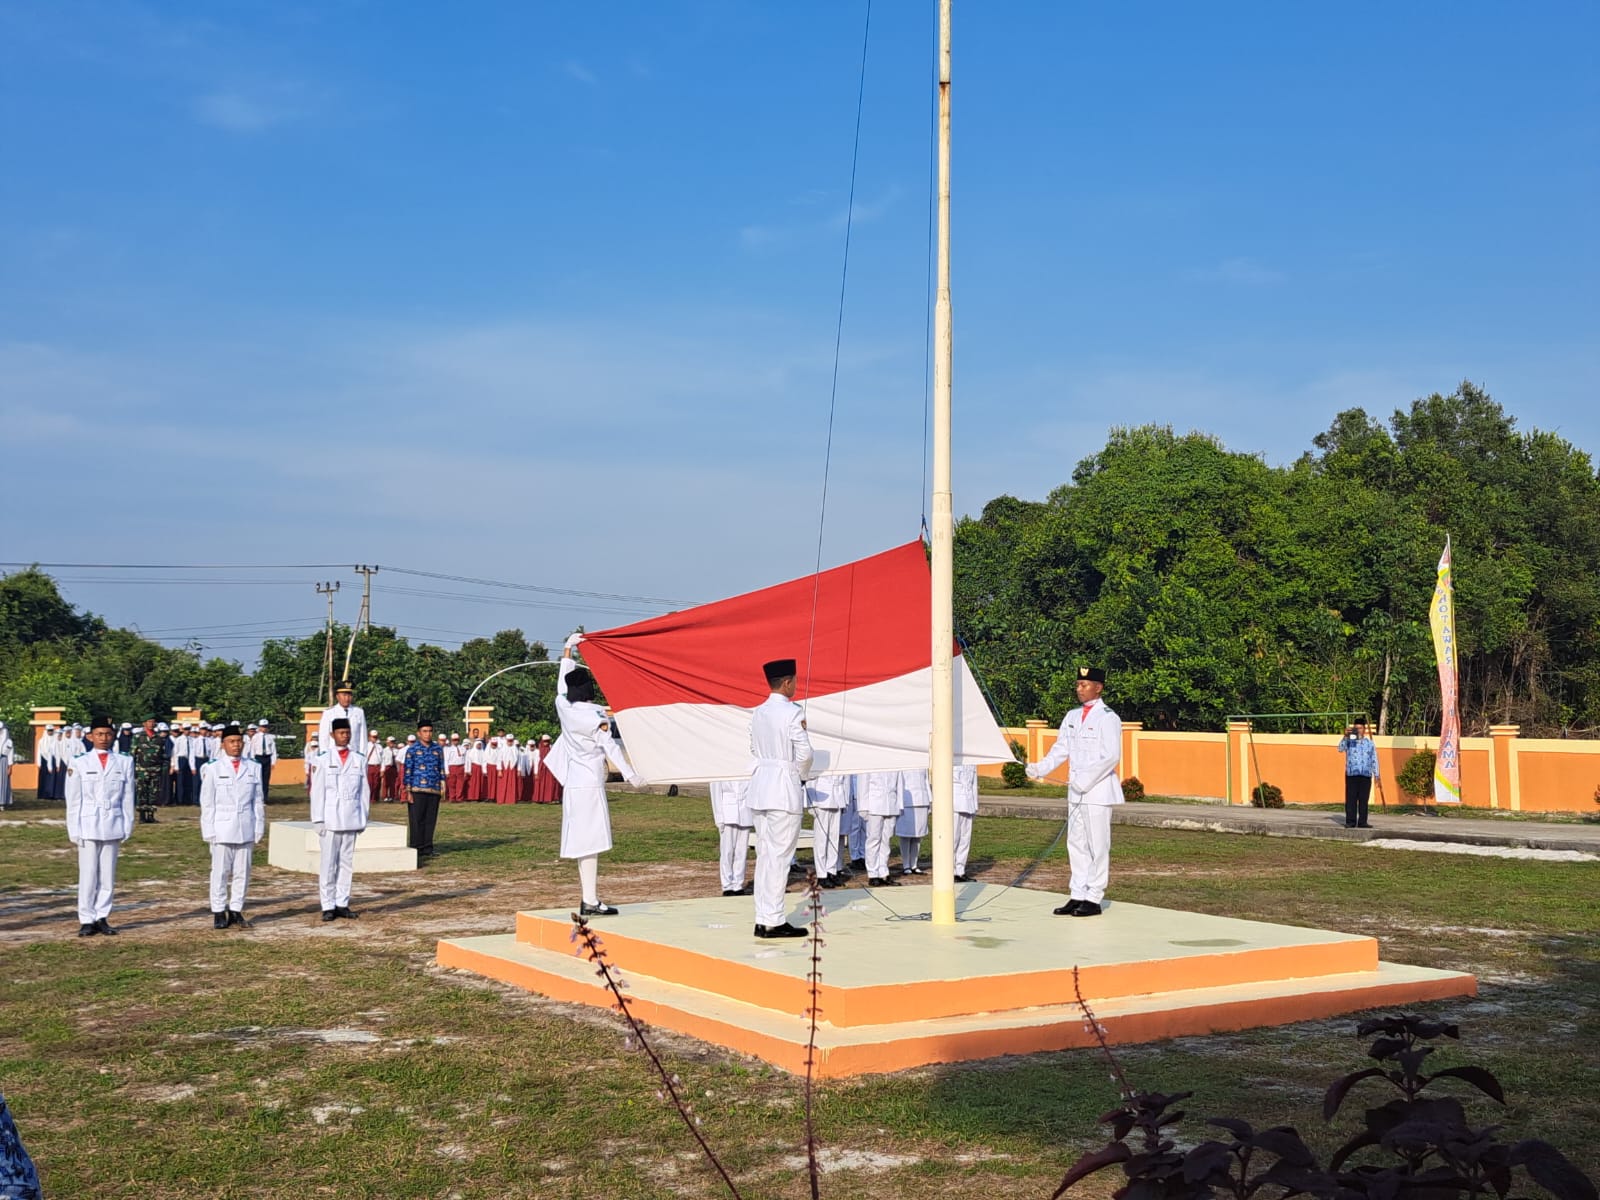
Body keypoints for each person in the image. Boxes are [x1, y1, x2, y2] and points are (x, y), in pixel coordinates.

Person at [550, 637, 643, 916]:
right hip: (590, 782)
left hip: (573, 781)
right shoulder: (596, 716)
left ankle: (589, 897)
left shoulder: (563, 708)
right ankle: (589, 899)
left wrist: (568, 648)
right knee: (591, 841)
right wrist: (631, 775)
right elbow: (610, 747)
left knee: (584, 841)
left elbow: (560, 686)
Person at [1026, 666, 1123, 917]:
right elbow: (1060, 749)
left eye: (1084, 685)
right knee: (1076, 843)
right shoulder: (1071, 716)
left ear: (1098, 687)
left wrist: (1086, 780)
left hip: (1097, 791)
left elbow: (1111, 756)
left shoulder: (1108, 717)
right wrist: (1039, 768)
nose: (1079, 689)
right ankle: (1077, 893)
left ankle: (1094, 896)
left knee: (1097, 844)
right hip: (1075, 792)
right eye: (1078, 684)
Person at [746, 657, 814, 938]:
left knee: (766, 854)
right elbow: (805, 753)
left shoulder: (758, 712)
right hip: (783, 787)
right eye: (794, 681)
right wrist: (801, 774)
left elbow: (752, 747)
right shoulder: (792, 712)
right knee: (779, 856)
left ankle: (763, 917)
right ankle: (772, 919)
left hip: (761, 785)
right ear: (787, 683)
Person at [65, 716, 135, 937]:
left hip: (113, 821)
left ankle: (102, 916)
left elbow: (128, 796)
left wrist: (128, 824)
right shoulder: (79, 762)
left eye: (107, 734)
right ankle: (86, 918)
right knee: (88, 874)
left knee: (107, 875)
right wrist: (73, 829)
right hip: (87, 823)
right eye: (99, 734)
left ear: (113, 736)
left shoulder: (124, 761)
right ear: (90, 737)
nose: (104, 738)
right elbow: (73, 799)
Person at [199, 724, 266, 930]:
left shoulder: (253, 767)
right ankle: (219, 910)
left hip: (245, 824)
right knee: (220, 872)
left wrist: (259, 825)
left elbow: (257, 800)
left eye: (239, 741)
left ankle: (236, 909)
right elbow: (207, 802)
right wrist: (208, 830)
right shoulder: (213, 768)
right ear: (223, 744)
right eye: (231, 742)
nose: (236, 746)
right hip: (222, 826)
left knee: (242, 872)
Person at [309, 717, 369, 921]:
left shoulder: (359, 759)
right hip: (330, 819)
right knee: (328, 864)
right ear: (332, 735)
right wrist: (318, 819)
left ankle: (342, 902)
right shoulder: (324, 759)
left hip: (351, 817)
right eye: (341, 733)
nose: (345, 736)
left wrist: (363, 817)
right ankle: (327, 905)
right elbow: (317, 792)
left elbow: (364, 792)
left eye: (347, 732)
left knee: (346, 863)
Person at [403, 719, 445, 859]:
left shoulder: (438, 749)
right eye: (424, 731)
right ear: (419, 733)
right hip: (417, 789)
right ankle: (416, 847)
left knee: (430, 819)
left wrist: (443, 784)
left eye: (430, 731)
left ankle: (428, 847)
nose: (428, 734)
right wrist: (408, 790)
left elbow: (441, 768)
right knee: (416, 820)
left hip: (433, 789)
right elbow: (407, 770)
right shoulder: (412, 750)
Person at [805, 773, 852, 888]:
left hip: (838, 798)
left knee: (834, 838)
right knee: (821, 840)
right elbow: (811, 779)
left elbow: (846, 780)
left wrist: (845, 801)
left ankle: (831, 871)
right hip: (822, 800)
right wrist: (811, 804)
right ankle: (822, 874)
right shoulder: (820, 757)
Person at [710, 777, 755, 896]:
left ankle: (738, 884)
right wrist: (719, 818)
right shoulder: (719, 769)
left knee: (742, 852)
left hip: (745, 812)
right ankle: (727, 885)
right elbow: (716, 795)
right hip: (727, 813)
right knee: (727, 851)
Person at [1337, 720, 1379, 829]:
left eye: (1360, 728)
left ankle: (1362, 822)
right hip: (1352, 774)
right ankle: (1350, 822)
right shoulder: (1350, 741)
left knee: (1363, 799)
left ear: (1364, 730)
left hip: (1365, 774)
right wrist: (1345, 736)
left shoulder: (1369, 743)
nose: (1358, 730)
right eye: (1356, 728)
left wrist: (1377, 775)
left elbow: (1374, 759)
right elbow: (1340, 749)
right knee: (1351, 799)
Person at [895, 768, 932, 876]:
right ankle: (906, 864)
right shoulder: (903, 764)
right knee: (906, 835)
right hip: (907, 802)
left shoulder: (923, 763)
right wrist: (900, 803)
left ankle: (914, 864)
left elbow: (926, 781)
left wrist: (930, 800)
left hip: (922, 800)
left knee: (918, 835)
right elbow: (899, 784)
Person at [132, 718, 168, 823]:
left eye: (153, 722)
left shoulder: (159, 738)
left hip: (155, 769)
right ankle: (142, 816)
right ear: (144, 723)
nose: (151, 724)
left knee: (154, 792)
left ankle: (151, 815)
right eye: (149, 722)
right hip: (142, 769)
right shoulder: (138, 737)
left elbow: (162, 754)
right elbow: (132, 753)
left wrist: (163, 768)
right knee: (142, 792)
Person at [318, 682, 368, 752]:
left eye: (349, 695)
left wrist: (363, 755)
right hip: (334, 755)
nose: (347, 698)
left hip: (354, 754)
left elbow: (363, 737)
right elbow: (324, 737)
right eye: (344, 695)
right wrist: (325, 755)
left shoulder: (359, 712)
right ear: (337, 696)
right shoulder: (329, 713)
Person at [952, 763, 979, 882]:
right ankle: (950, 870)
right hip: (954, 804)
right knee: (953, 838)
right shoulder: (950, 759)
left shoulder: (972, 762)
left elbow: (973, 785)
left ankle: (960, 870)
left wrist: (975, 805)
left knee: (965, 839)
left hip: (968, 804)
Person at [531, 733, 562, 803]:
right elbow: (536, 761)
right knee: (540, 783)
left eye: (547, 741)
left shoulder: (551, 748)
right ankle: (539, 798)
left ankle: (550, 798)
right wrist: (536, 772)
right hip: (541, 768)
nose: (546, 743)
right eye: (545, 741)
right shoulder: (538, 750)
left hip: (549, 768)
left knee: (550, 783)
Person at [250, 719, 278, 791]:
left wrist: (273, 762)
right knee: (258, 777)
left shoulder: (270, 737)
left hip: (267, 758)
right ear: (259, 727)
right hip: (258, 758)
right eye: (262, 726)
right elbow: (252, 749)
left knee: (266, 778)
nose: (264, 728)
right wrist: (253, 760)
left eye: (265, 726)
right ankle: (258, 795)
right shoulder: (255, 737)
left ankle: (265, 797)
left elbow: (273, 750)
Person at [0, 721, 12, 809]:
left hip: (3, 761)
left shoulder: (8, 742)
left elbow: (10, 754)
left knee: (2, 782)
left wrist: (10, 767)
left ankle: (2, 802)